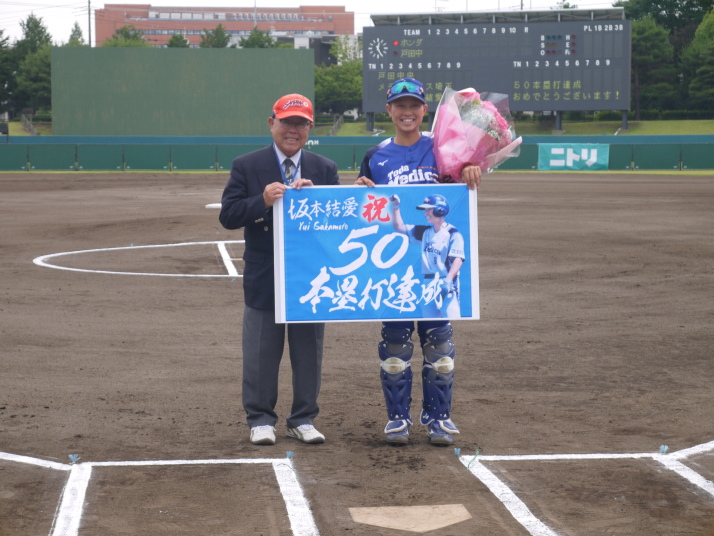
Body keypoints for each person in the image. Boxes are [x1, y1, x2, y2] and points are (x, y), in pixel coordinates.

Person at [355, 77, 482, 446]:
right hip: (395, 271)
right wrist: (360, 191)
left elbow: (459, 191)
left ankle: (439, 418)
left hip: (434, 269)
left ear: (425, 110)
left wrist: (470, 169)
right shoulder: (375, 155)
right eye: (400, 105)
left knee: (439, 346)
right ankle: (398, 419)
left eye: (414, 105)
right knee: (395, 347)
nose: (407, 112)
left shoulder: (443, 148)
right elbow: (366, 213)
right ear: (389, 110)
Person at [219, 94, 339, 446]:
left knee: (309, 352)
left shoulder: (324, 168)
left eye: (301, 124)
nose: (293, 130)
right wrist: (262, 201)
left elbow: (338, 225)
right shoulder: (246, 165)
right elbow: (228, 216)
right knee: (260, 352)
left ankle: (303, 418)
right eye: (287, 122)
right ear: (272, 123)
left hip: (311, 277)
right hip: (264, 275)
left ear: (309, 129)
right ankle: (260, 419)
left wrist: (318, 201)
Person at [389, 192, 464, 319]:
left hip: (446, 280)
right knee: (430, 320)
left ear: (440, 210)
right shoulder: (425, 232)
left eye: (429, 209)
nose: (425, 213)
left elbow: (458, 259)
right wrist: (395, 207)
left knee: (452, 316)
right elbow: (399, 227)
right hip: (428, 282)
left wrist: (448, 280)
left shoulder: (453, 233)